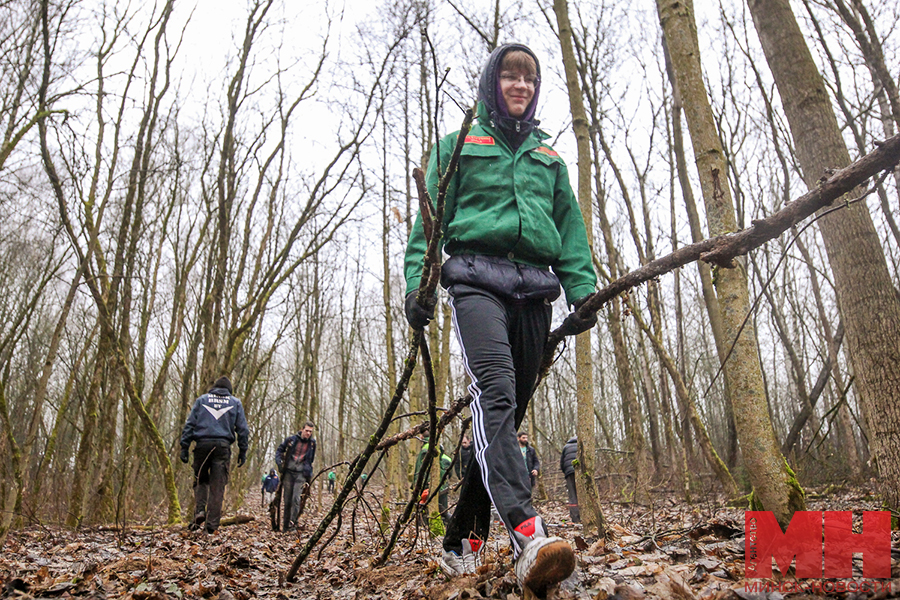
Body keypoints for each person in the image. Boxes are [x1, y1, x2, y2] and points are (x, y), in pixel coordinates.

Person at [402, 43, 596, 594]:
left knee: (504, 424)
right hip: (475, 283)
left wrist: (582, 294)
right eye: (510, 76)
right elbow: (429, 225)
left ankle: (461, 540)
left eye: (530, 79)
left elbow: (571, 231)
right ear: (494, 84)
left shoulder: (550, 159)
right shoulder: (459, 144)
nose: (520, 86)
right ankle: (528, 533)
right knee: (497, 394)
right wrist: (421, 286)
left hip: (535, 291)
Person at [180, 376, 250, 534]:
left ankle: (199, 511)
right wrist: (243, 450)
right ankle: (211, 526)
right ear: (229, 391)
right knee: (217, 486)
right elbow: (243, 430)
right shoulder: (235, 402)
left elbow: (190, 424)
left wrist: (184, 447)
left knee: (200, 480)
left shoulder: (202, 400)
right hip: (222, 446)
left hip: (202, 445)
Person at [275, 421, 316, 532]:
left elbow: (311, 459)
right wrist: (279, 463)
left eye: (310, 432)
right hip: (288, 472)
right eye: (307, 430)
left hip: (301, 473)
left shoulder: (312, 444)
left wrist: (307, 470)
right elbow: (279, 451)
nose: (308, 433)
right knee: (287, 500)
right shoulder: (291, 440)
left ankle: (293, 525)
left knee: (296, 499)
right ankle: (285, 526)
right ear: (302, 429)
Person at [413, 442, 453, 526]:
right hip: (442, 488)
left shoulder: (427, 454)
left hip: (434, 489)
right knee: (441, 511)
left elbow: (422, 473)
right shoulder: (446, 459)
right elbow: (449, 475)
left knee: (435, 511)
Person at [560, 436, 580, 523]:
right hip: (580, 471)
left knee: (572, 495)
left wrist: (566, 472)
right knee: (582, 494)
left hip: (569, 472)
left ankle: (575, 518)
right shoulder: (581, 445)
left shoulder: (566, 447)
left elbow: (562, 462)